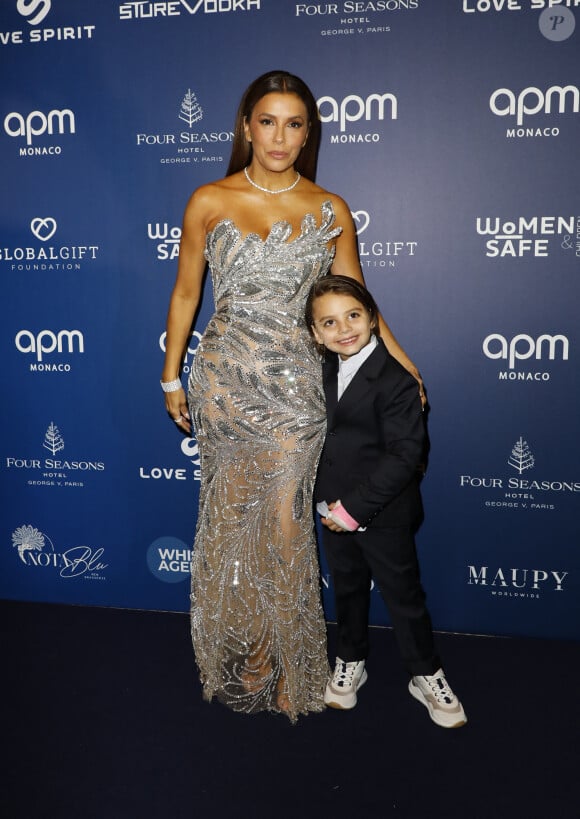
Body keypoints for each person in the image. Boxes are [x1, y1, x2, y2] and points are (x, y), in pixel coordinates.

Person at [161, 70, 422, 722]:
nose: (281, 136)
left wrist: (403, 363)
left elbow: (357, 298)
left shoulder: (329, 207)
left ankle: (289, 660)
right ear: (247, 126)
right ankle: (250, 656)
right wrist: (171, 376)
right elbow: (187, 293)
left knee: (282, 528)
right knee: (232, 523)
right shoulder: (208, 200)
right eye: (268, 121)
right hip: (224, 384)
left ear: (309, 133)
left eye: (295, 123)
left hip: (296, 391)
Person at [306, 275, 466, 728]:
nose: (344, 329)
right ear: (317, 334)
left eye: (353, 316)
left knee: (403, 597)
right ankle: (351, 659)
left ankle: (425, 673)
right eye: (329, 323)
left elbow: (403, 457)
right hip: (330, 505)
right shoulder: (321, 369)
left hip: (383, 512)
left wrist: (352, 510)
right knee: (348, 587)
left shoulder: (397, 380)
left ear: (373, 318)